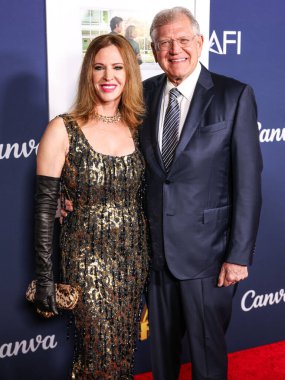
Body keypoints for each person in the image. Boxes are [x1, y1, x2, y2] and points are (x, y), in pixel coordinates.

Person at [139, 6, 262, 380]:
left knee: (207, 360)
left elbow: (248, 182)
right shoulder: (141, 95)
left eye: (182, 40)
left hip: (209, 259)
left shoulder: (234, 95)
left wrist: (238, 256)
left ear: (200, 42)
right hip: (155, 256)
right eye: (164, 43)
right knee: (162, 361)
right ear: (153, 49)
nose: (174, 49)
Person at [33, 34, 149, 379]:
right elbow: (43, 211)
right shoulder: (62, 129)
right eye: (99, 67)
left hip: (134, 260)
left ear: (129, 74)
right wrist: (44, 278)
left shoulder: (141, 129)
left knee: (122, 355)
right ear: (88, 73)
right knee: (98, 353)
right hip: (86, 260)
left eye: (117, 67)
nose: (107, 76)